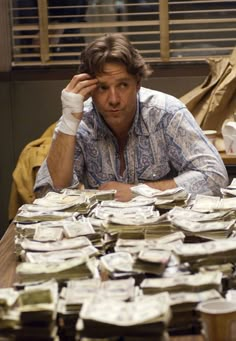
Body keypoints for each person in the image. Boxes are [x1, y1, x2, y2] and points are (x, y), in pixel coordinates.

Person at [34, 33, 229, 201]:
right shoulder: (80, 121)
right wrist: (68, 119)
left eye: (123, 85)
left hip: (164, 231)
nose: (113, 99)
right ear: (90, 89)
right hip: (101, 234)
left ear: (137, 84)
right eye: (103, 88)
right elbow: (48, 194)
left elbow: (215, 178)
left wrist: (139, 192)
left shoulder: (167, 114)